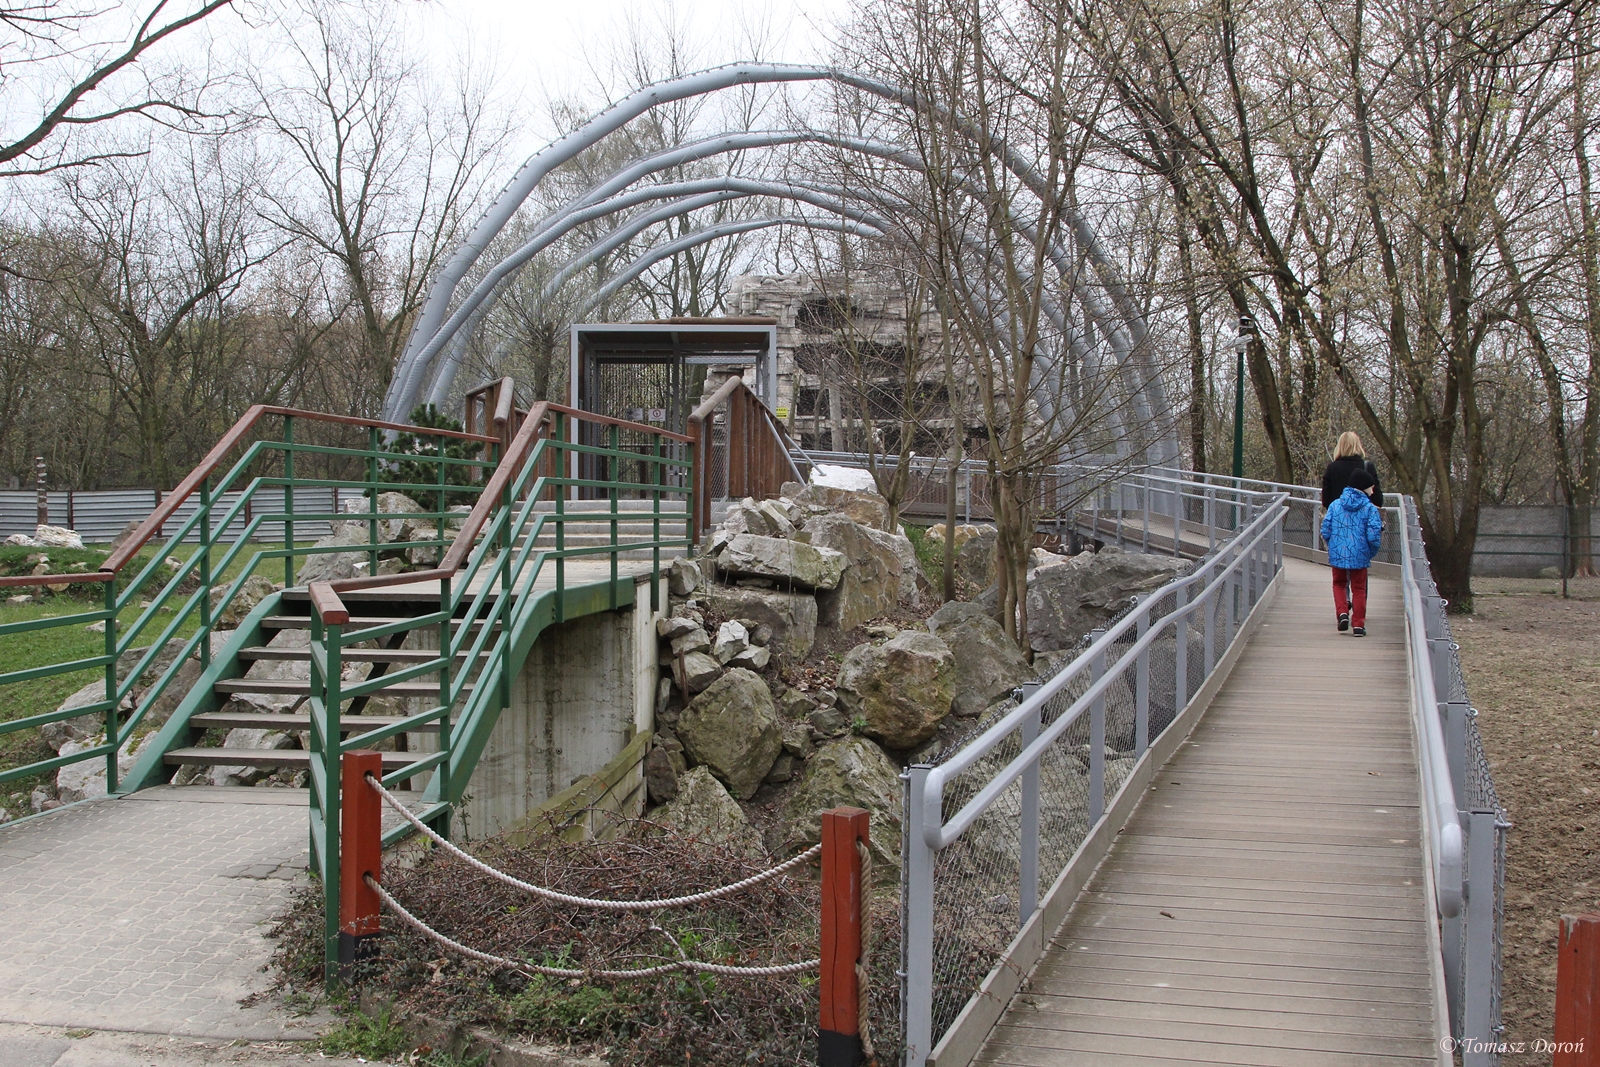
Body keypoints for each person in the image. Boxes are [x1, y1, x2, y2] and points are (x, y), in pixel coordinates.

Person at [1321, 468, 1384, 636]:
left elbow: (1325, 530)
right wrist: (1370, 552)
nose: (1373, 490)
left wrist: (1332, 546)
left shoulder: (1335, 505)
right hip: (1360, 553)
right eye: (1371, 487)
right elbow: (1373, 535)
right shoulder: (1369, 509)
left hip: (1338, 552)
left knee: (1339, 584)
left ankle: (1342, 612)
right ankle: (1358, 625)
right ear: (1364, 488)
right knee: (1359, 588)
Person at [1322, 431, 1383, 508]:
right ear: (1358, 445)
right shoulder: (1367, 467)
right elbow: (1377, 500)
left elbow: (1326, 500)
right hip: (1363, 517)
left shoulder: (1331, 468)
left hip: (1339, 517)